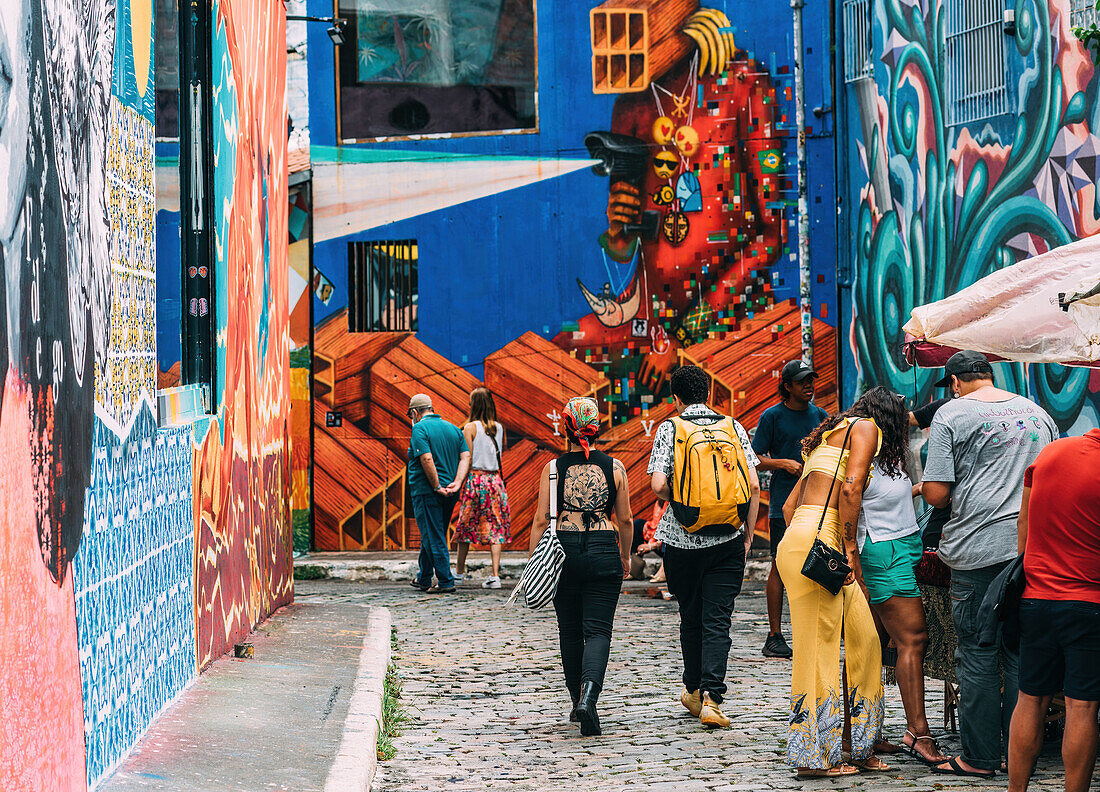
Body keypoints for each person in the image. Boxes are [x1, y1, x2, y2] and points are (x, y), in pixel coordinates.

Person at [920, 350, 1056, 779]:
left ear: (956, 382)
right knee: (1018, 654)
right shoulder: (1038, 413)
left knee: (978, 653)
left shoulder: (951, 414)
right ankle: (1020, 756)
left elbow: (938, 493)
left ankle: (979, 758)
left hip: (977, 551)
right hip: (1029, 551)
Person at [776, 387, 896, 777]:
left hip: (802, 538)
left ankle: (860, 745)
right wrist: (847, 549)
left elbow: (788, 506)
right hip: (823, 546)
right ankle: (815, 758)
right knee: (818, 649)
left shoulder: (830, 435)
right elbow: (851, 487)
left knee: (867, 639)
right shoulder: (866, 428)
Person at [648, 365, 761, 729]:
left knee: (690, 614)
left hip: (682, 540)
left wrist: (685, 501)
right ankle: (713, 697)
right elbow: (755, 486)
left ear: (676, 398)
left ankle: (693, 690)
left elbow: (658, 485)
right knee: (718, 619)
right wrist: (746, 534)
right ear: (710, 394)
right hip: (728, 538)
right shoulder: (734, 427)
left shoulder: (670, 428)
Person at [529, 397, 633, 737]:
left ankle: (578, 699)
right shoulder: (616, 468)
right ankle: (590, 697)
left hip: (563, 550)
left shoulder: (553, 469)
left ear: (565, 428)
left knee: (570, 632)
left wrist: (534, 562)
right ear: (597, 427)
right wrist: (626, 556)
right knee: (599, 631)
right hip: (604, 548)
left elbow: (540, 519)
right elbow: (626, 519)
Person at [855, 394, 948, 766]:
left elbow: (884, 498)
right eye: (902, 415)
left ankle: (864, 731)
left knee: (874, 644)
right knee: (913, 639)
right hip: (881, 552)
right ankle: (919, 733)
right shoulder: (862, 455)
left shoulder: (890, 456)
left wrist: (920, 489)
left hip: (904, 546)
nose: (910, 420)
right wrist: (852, 558)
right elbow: (848, 499)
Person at [1008, 428, 1100, 792]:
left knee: (1030, 699)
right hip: (1089, 603)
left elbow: (1023, 523)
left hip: (1035, 598)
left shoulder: (1050, 453)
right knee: (1082, 707)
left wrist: (1030, 575)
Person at [752, 359, 829, 659]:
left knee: (818, 564)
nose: (808, 385)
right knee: (780, 565)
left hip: (816, 503)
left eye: (810, 379)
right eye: (802, 381)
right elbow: (754, 456)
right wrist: (782, 463)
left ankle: (816, 630)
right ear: (787, 386)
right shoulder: (772, 416)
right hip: (782, 507)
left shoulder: (821, 415)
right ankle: (774, 636)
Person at [407, 394, 470, 594]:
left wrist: (436, 485)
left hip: (427, 491)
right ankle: (423, 576)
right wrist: (457, 482)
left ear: (415, 413)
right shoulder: (453, 429)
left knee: (433, 535)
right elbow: (465, 456)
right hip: (451, 491)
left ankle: (445, 580)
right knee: (434, 531)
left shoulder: (419, 428)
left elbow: (426, 458)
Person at [454, 387, 512, 589]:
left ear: (474, 404)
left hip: (475, 481)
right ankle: (495, 576)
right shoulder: (499, 427)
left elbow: (467, 458)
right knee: (496, 527)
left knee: (465, 525)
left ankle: (459, 573)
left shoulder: (469, 428)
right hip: (495, 482)